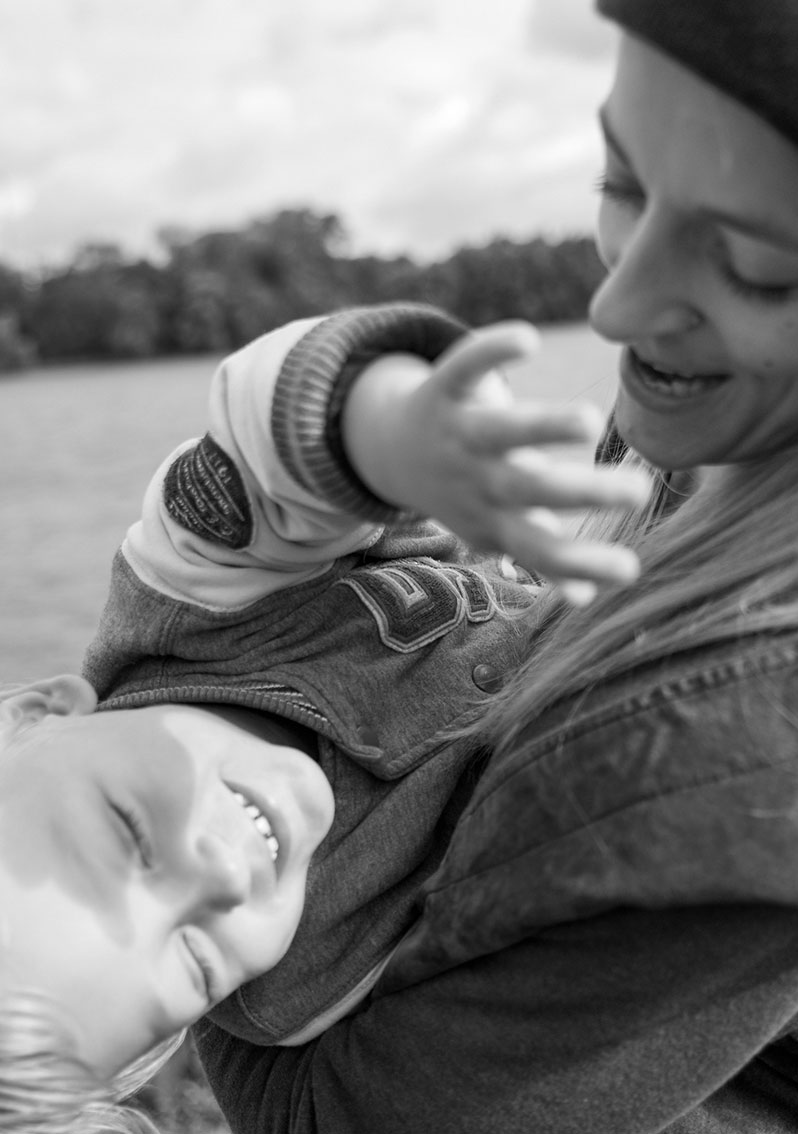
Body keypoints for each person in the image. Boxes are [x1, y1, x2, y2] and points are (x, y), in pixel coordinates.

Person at [187, 2, 798, 1132]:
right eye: (621, 182)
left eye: (750, 270)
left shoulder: (779, 747)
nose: (616, 305)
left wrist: (164, 823)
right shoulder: (724, 429)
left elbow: (322, 1117)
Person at [0, 304, 647, 1133]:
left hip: (586, 559)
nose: (222, 881)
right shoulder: (311, 992)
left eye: (128, 835)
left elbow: (268, 441)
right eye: (197, 964)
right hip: (645, 693)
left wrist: (392, 435)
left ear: (34, 715)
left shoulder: (190, 601)